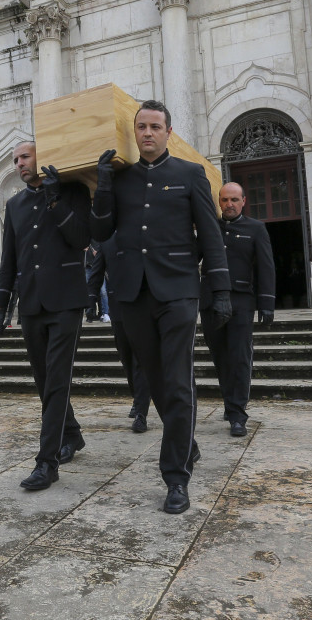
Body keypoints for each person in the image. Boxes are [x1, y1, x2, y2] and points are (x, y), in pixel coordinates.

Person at [89, 100, 232, 514]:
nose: (148, 133)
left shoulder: (190, 175)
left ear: (169, 132)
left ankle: (175, 477)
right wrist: (102, 186)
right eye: (141, 127)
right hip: (133, 295)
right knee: (152, 378)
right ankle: (187, 440)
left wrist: (219, 290)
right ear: (134, 134)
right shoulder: (123, 180)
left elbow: (210, 235)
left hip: (179, 293)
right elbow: (101, 232)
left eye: (155, 126)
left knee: (177, 379)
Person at [0, 141, 91, 490]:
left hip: (66, 300)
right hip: (31, 303)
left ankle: (46, 463)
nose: (19, 163)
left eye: (25, 157)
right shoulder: (15, 204)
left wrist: (54, 199)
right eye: (16, 159)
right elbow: (10, 260)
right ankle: (72, 434)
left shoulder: (73, 191)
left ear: (43, 156)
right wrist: (0, 304)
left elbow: (81, 238)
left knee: (57, 380)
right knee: (43, 379)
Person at [200, 183, 275, 437]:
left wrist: (267, 302)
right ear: (219, 202)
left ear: (244, 201)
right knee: (220, 356)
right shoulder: (209, 229)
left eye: (234, 199)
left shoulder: (256, 229)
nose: (229, 204)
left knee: (239, 356)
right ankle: (229, 401)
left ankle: (238, 414)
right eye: (224, 200)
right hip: (210, 301)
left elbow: (266, 267)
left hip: (241, 301)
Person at [86, 232, 151, 431]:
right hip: (118, 308)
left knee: (141, 360)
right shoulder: (107, 242)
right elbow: (96, 273)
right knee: (126, 357)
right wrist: (90, 301)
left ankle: (141, 411)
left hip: (142, 307)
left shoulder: (143, 236)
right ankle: (137, 397)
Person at [84, 241, 110, 322]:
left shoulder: (100, 239)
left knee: (103, 292)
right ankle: (90, 314)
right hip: (88, 266)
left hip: (98, 266)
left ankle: (105, 313)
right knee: (90, 291)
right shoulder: (86, 238)